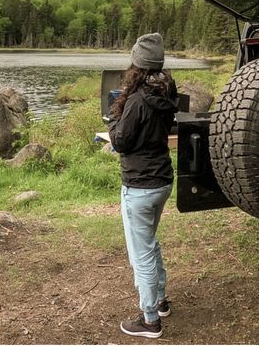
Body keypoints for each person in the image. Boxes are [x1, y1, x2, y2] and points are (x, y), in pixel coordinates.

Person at [107, 32, 178, 339]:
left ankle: (150, 320)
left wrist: (111, 121)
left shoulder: (136, 100)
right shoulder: (166, 92)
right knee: (149, 242)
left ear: (136, 64)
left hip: (139, 186)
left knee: (142, 253)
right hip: (162, 181)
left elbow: (120, 142)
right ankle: (160, 300)